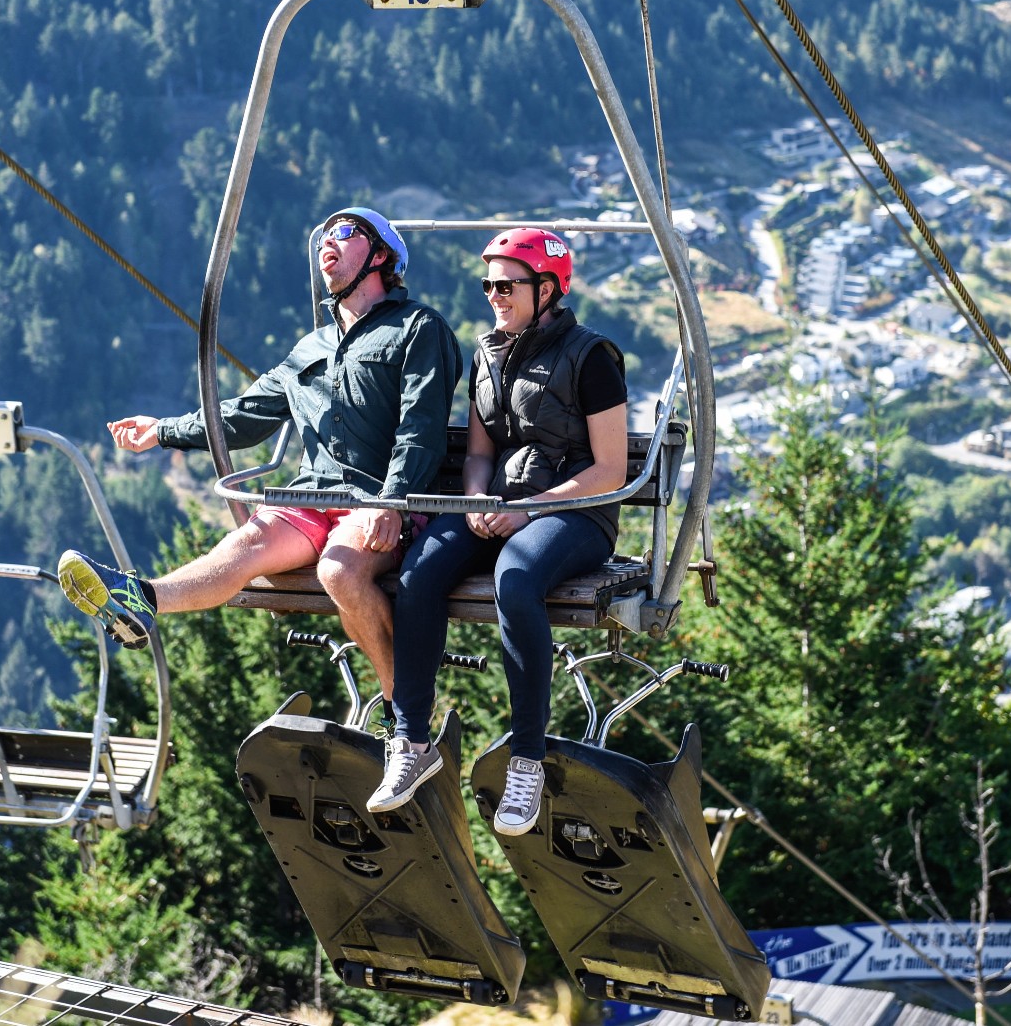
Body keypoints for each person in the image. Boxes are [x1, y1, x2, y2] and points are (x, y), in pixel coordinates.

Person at [54, 207, 460, 697]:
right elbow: (242, 416)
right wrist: (163, 431)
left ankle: (406, 714)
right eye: (323, 238)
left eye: (346, 233)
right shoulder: (310, 348)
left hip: (375, 501)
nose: (327, 244)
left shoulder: (418, 329)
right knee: (245, 544)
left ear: (381, 256)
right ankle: (140, 599)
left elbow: (422, 426)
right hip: (312, 499)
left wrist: (392, 502)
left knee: (339, 571)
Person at [367, 228, 628, 835]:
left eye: (507, 285)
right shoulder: (490, 354)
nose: (494, 296)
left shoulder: (592, 358)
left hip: (579, 515)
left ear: (548, 288)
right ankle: (410, 742)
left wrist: (529, 509)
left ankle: (527, 759)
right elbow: (481, 451)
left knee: (516, 580)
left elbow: (610, 470)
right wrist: (479, 500)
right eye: (488, 285)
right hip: (506, 506)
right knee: (420, 573)